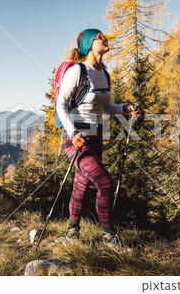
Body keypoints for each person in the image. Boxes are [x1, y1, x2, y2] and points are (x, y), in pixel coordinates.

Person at [56, 28, 138, 246]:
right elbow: (61, 105)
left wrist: (124, 108)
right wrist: (73, 133)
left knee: (81, 185)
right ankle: (109, 237)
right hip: (77, 137)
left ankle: (72, 231)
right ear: (89, 45)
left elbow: (104, 107)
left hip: (96, 135)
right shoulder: (77, 71)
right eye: (100, 37)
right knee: (105, 183)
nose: (105, 40)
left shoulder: (104, 73)